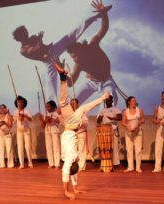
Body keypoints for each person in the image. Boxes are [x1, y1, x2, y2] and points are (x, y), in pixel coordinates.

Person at [12, 0, 112, 102]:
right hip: (48, 61)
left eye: (27, 32)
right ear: (20, 37)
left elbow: (41, 47)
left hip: (53, 50)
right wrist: (39, 40)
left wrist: (40, 41)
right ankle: (52, 107)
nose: (28, 34)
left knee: (70, 35)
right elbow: (35, 51)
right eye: (25, 33)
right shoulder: (23, 50)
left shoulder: (32, 38)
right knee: (50, 82)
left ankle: (96, 16)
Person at [53, 59, 110, 200]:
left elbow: (68, 171)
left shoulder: (71, 158)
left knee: (65, 103)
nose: (75, 168)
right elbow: (68, 171)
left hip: (69, 129)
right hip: (70, 128)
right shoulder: (72, 157)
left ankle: (63, 77)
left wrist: (103, 97)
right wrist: (70, 190)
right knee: (68, 104)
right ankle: (62, 77)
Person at [66, 0, 117, 112]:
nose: (75, 60)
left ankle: (105, 119)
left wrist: (104, 13)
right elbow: (70, 83)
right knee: (72, 105)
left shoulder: (93, 45)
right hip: (90, 83)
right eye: (72, 58)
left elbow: (104, 28)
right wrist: (61, 73)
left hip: (106, 81)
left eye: (75, 56)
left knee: (106, 106)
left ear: (81, 50)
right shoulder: (78, 65)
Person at [96, 95, 122, 169]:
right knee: (105, 148)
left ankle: (115, 164)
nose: (107, 102)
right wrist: (100, 118)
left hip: (113, 130)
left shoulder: (115, 109)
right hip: (105, 131)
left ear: (111, 101)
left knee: (114, 147)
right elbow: (98, 121)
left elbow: (120, 117)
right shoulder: (102, 110)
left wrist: (112, 117)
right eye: (106, 101)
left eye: (108, 100)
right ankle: (106, 162)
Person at [122, 96, 145, 173]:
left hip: (138, 131)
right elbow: (123, 122)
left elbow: (142, 119)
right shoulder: (125, 111)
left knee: (138, 150)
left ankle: (138, 167)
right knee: (129, 149)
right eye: (133, 101)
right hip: (129, 132)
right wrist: (127, 127)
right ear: (129, 102)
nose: (134, 102)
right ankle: (130, 167)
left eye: (135, 100)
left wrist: (139, 123)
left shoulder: (139, 110)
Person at [38, 100, 61, 169]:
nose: (47, 108)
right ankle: (51, 163)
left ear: (52, 106)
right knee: (49, 147)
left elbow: (59, 121)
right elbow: (43, 126)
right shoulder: (45, 113)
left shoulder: (56, 113)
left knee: (56, 147)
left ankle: (57, 164)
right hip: (47, 131)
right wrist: (41, 120)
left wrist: (51, 118)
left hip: (54, 131)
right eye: (46, 107)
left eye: (48, 106)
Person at [13, 96, 33, 169]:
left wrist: (24, 116)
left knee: (27, 147)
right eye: (19, 102)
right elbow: (13, 121)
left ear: (24, 102)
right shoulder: (15, 111)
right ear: (17, 103)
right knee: (20, 147)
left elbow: (30, 119)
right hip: (19, 130)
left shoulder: (27, 110)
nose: (20, 103)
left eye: (21, 102)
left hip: (26, 130)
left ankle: (30, 162)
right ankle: (21, 164)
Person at [70, 98, 89, 171]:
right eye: (71, 104)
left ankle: (81, 167)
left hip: (81, 133)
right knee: (73, 150)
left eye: (74, 104)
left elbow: (86, 122)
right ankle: (73, 166)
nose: (72, 105)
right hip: (72, 134)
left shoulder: (82, 112)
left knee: (81, 150)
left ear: (77, 104)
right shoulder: (70, 113)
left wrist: (79, 121)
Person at [0, 104, 14, 168]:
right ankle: (2, 164)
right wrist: (0, 124)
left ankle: (10, 164)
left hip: (7, 135)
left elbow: (10, 125)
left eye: (3, 108)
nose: (2, 109)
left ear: (5, 109)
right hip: (0, 135)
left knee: (9, 150)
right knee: (1, 150)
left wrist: (5, 123)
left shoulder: (8, 116)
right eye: (1, 108)